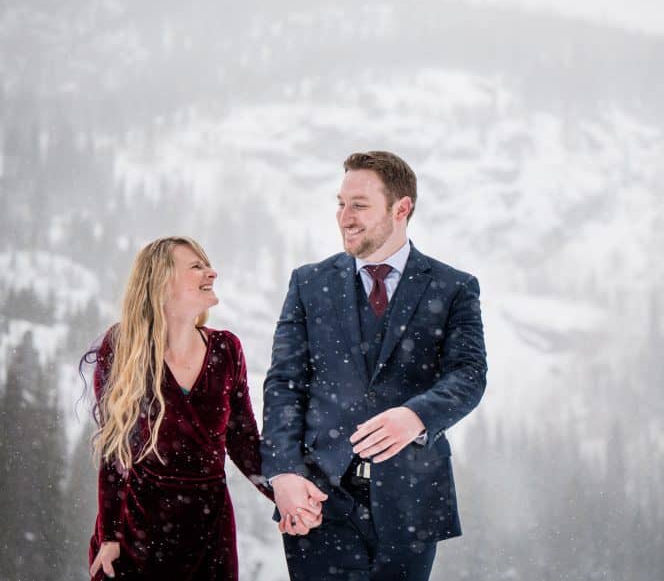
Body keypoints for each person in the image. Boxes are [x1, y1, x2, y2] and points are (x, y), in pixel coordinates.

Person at [262, 151, 488, 581]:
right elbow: (284, 385)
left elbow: (469, 374)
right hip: (317, 502)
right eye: (341, 203)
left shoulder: (454, 287)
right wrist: (283, 473)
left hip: (412, 503)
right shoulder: (308, 283)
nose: (344, 217)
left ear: (401, 208)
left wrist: (417, 416)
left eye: (359, 205)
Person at [87, 236, 273, 580]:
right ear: (161, 282)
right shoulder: (121, 349)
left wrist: (283, 493)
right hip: (138, 533)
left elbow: (245, 443)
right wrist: (111, 535)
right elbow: (114, 452)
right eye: (196, 266)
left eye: (208, 264)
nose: (212, 273)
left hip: (210, 532)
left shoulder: (226, 349)